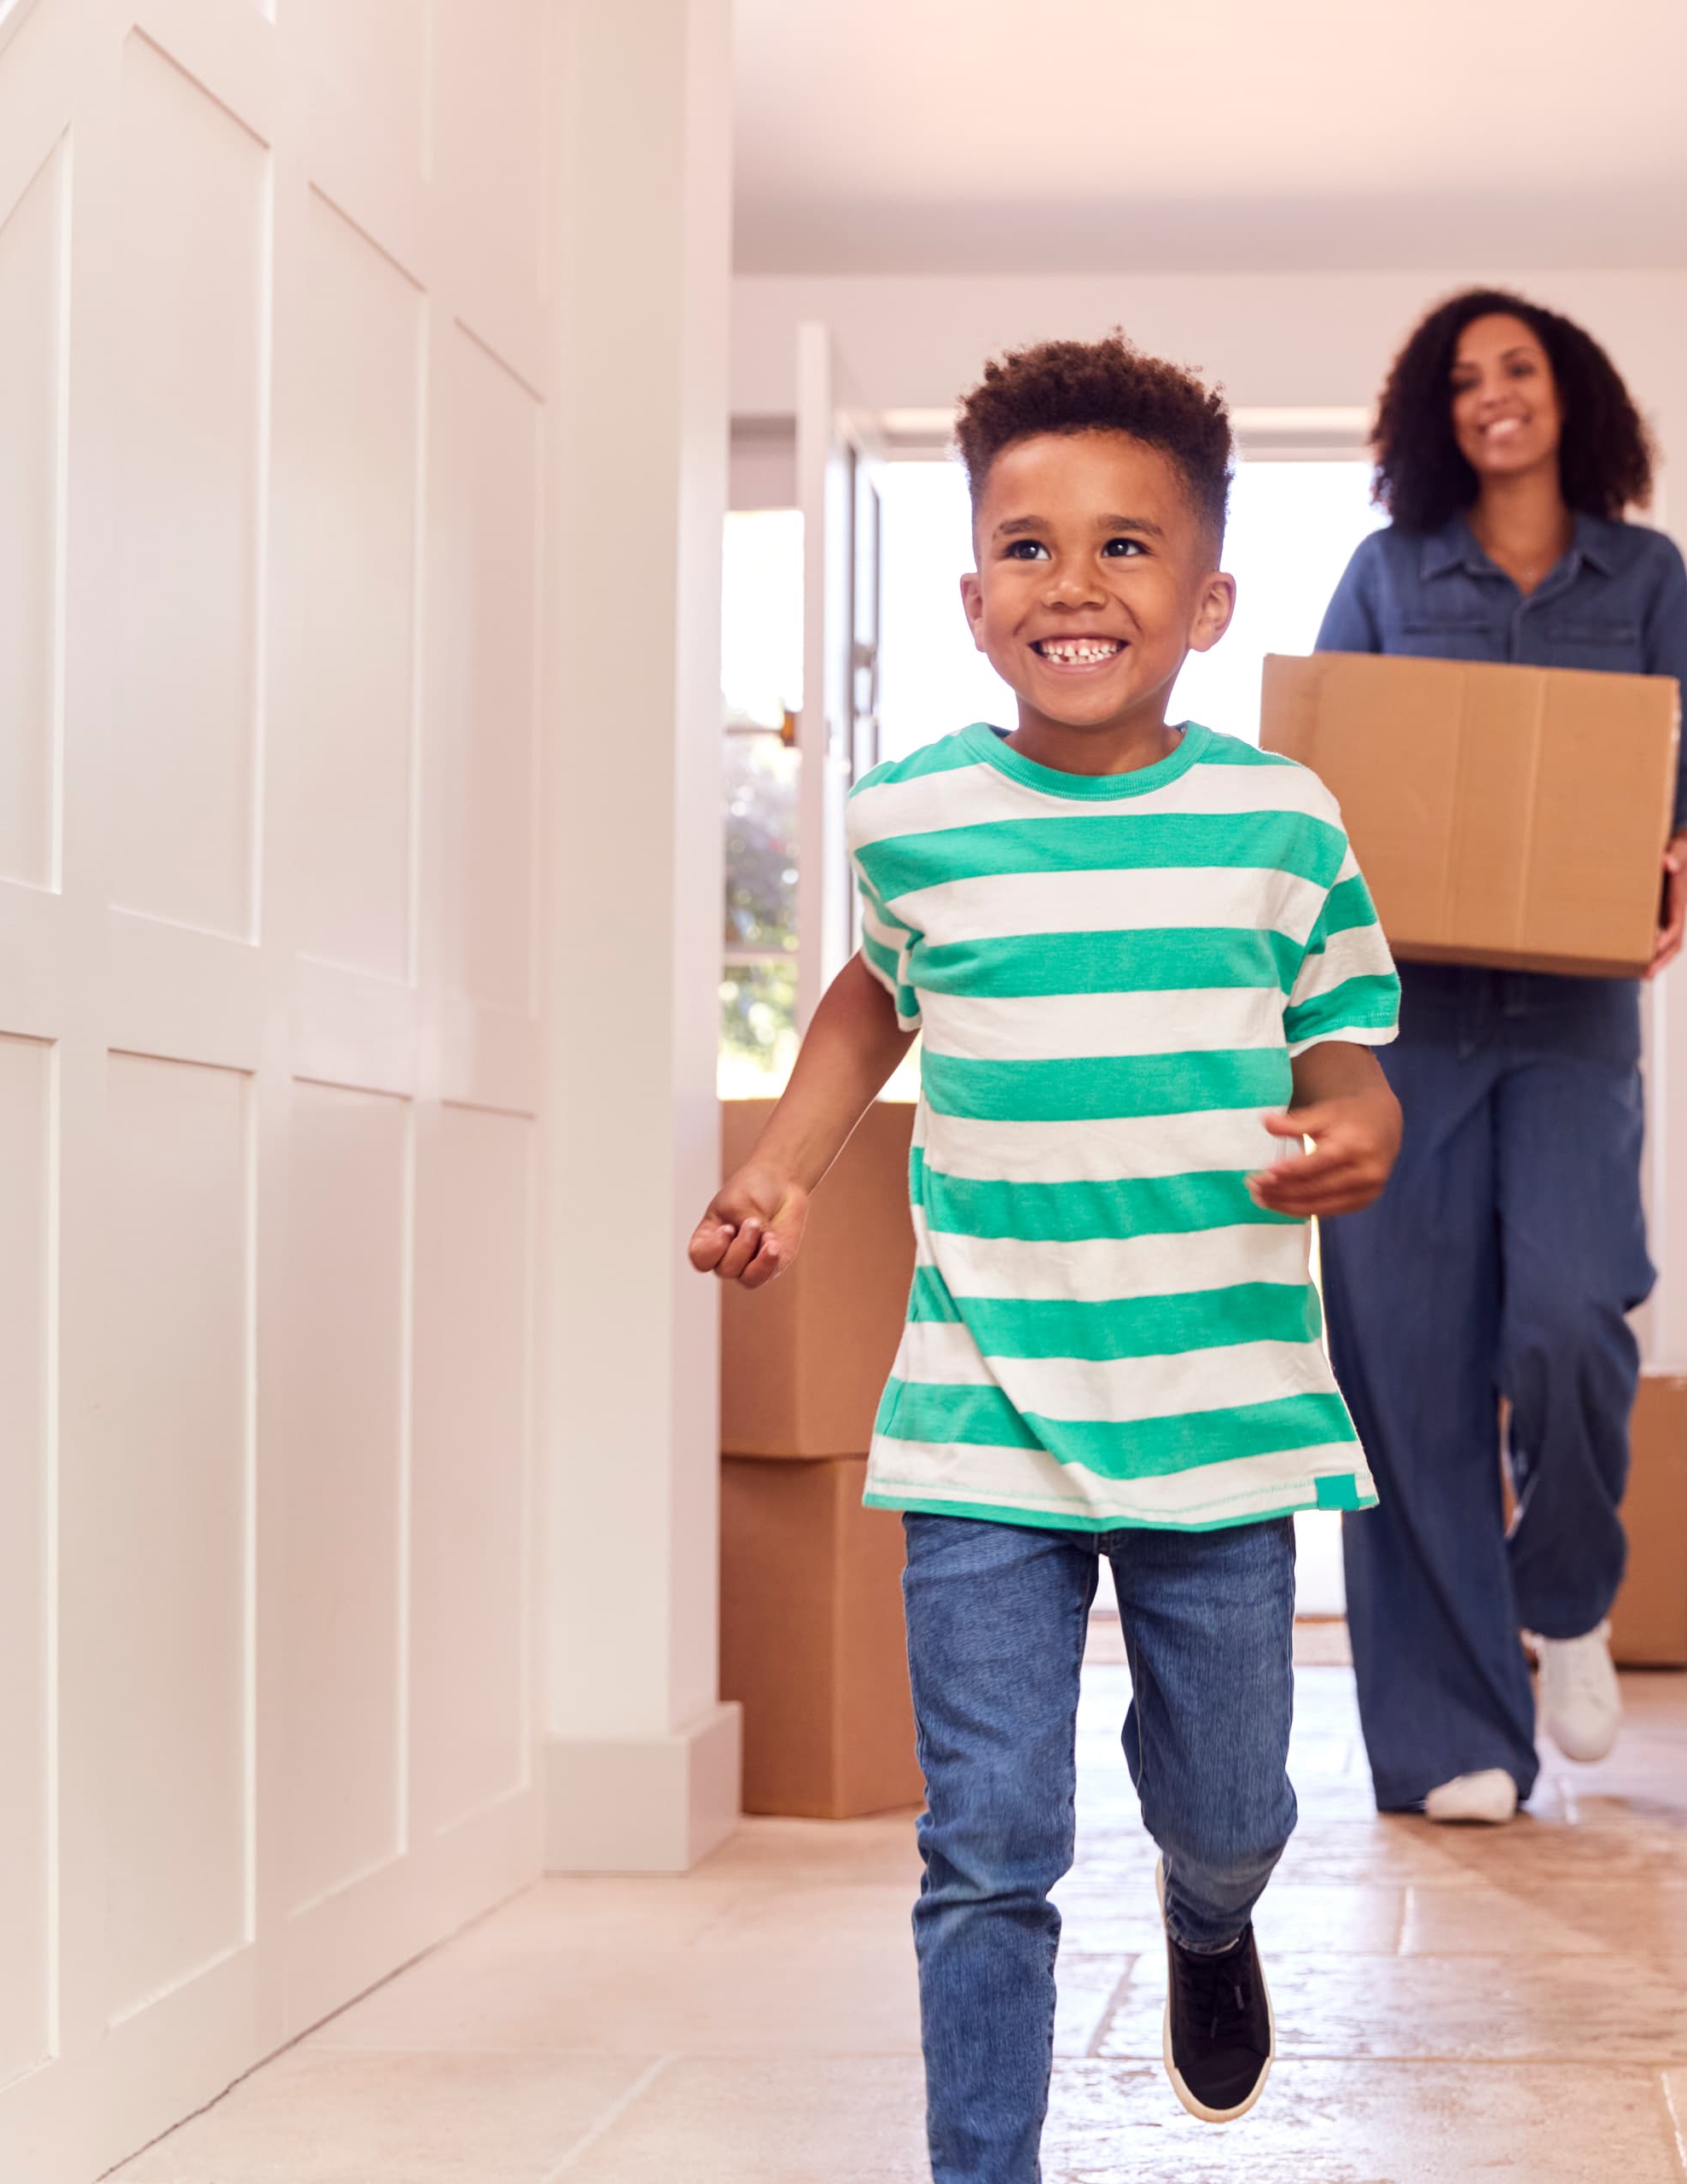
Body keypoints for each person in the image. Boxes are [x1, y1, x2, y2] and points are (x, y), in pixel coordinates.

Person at [690, 336, 1405, 2182]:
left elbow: (1344, 1050)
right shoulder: (916, 822)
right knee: (987, 1845)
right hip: (980, 1408)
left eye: (1124, 547)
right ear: (972, 596)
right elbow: (872, 1000)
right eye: (1028, 546)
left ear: (1208, 601)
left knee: (1233, 1807)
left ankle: (1209, 1912)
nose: (1072, 585)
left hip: (1216, 1407)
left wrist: (1364, 1127)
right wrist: (783, 1165)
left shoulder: (1281, 823)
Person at [1311, 290, 1687, 1824]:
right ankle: (1454, 1742)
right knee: (1407, 1371)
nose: (1494, 395)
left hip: (1570, 1019)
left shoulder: (1646, 574)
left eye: (1521, 368)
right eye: (1465, 378)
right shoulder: (1386, 574)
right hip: (1404, 1020)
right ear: (1434, 415)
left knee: (1569, 1319)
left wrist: (1682, 859)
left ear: (1572, 396)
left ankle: (1567, 1594)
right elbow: (1321, 780)